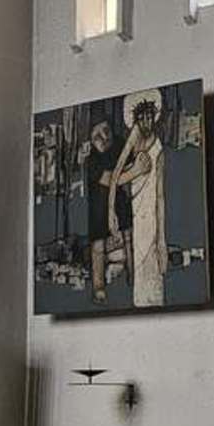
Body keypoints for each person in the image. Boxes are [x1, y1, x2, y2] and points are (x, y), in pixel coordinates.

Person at [110, 94, 168, 307]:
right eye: (142, 118)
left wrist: (162, 240)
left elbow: (160, 196)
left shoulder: (158, 148)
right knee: (139, 261)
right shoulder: (134, 137)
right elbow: (115, 176)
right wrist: (110, 212)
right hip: (136, 210)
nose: (146, 123)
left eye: (149, 117)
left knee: (153, 265)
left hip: (151, 213)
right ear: (136, 119)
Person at [81, 115, 121, 304]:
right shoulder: (92, 160)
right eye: (97, 136)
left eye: (106, 130)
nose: (104, 137)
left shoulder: (119, 144)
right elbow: (109, 179)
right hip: (99, 205)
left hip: (121, 200)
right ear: (90, 140)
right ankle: (98, 288)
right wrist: (135, 170)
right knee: (98, 245)